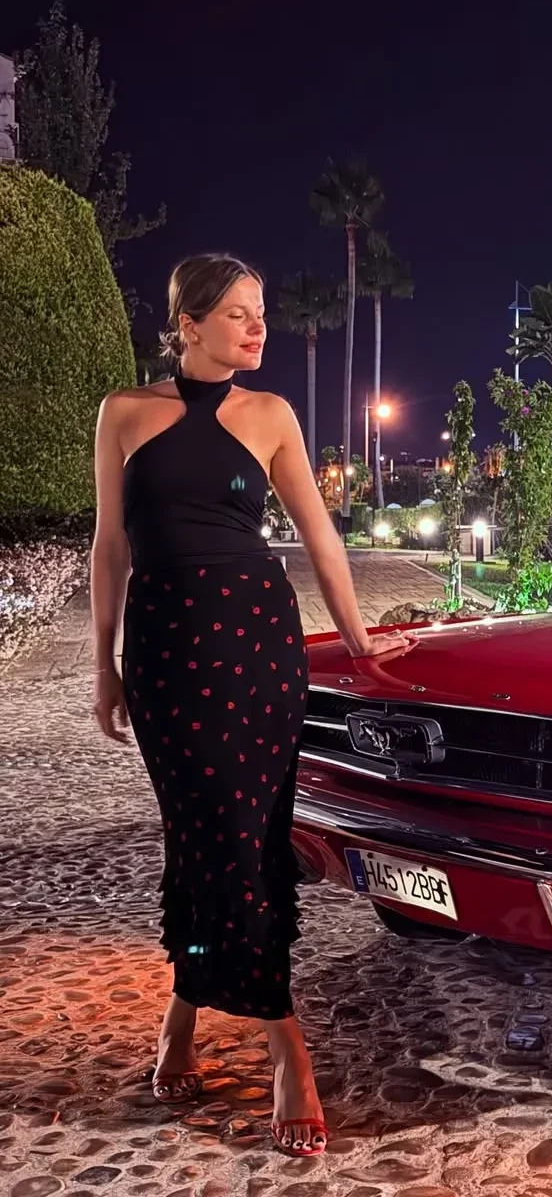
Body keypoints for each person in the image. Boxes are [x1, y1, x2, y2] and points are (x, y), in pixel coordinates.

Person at [91, 253, 407, 1158]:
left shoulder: (271, 415)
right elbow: (110, 545)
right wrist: (103, 665)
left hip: (256, 647)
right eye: (238, 313)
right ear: (188, 325)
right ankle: (204, 1015)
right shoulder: (123, 412)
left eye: (261, 311)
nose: (258, 327)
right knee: (200, 835)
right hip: (164, 651)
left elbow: (320, 536)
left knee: (246, 836)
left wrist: (358, 639)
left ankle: (273, 1042)